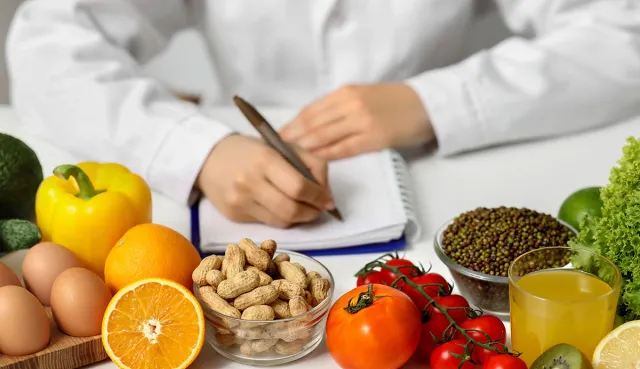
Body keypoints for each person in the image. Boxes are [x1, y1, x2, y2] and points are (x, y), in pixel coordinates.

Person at [6, 1, 640, 228]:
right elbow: (46, 39)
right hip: (239, 182)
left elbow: (621, 31)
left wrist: (438, 101)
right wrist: (194, 149)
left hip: (446, 172)